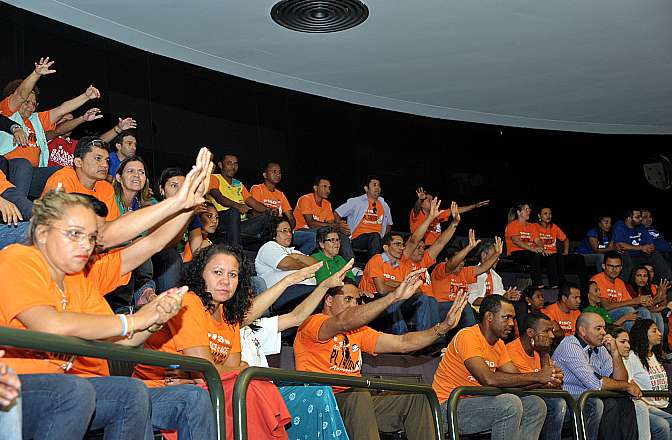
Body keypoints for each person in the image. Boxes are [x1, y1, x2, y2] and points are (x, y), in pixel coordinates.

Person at [0, 187, 216, 439]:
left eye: (91, 238)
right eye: (74, 234)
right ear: (42, 233)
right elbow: (50, 324)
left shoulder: (78, 280)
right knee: (75, 391)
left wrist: (154, 318)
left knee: (131, 393)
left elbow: (124, 340)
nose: (85, 245)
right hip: (17, 385)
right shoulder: (19, 258)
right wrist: (135, 319)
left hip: (69, 386)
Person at [134, 244, 292, 440]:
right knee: (251, 389)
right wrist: (239, 369)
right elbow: (207, 370)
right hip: (158, 389)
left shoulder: (230, 314)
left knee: (257, 388)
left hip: (199, 385)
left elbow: (223, 370)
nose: (225, 281)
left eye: (233, 275)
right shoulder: (190, 302)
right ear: (201, 274)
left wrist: (212, 373)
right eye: (217, 272)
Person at [294, 271, 468, 440]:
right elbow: (343, 321)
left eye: (357, 300)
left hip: (357, 404)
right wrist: (393, 297)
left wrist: (443, 327)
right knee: (359, 392)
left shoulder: (358, 331)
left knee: (417, 395)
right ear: (329, 300)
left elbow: (403, 343)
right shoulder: (312, 323)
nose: (354, 305)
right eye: (348, 299)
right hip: (321, 403)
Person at [240, 261, 353, 439]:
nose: (249, 301)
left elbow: (297, 317)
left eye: (251, 297)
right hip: (247, 398)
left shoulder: (256, 326)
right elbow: (243, 316)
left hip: (270, 397)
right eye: (245, 298)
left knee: (320, 391)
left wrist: (324, 286)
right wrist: (289, 280)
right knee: (319, 392)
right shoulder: (228, 324)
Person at [432, 295, 554, 440]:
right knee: (509, 404)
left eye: (513, 319)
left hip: (479, 403)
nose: (511, 323)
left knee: (536, 404)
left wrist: (546, 380)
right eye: (506, 317)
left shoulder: (499, 344)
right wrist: (538, 376)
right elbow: (488, 378)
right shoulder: (468, 336)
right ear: (489, 317)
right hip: (448, 407)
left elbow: (518, 380)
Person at [0, 57, 100, 198]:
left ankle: (48, 212)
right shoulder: (8, 111)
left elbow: (62, 109)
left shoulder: (37, 120)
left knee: (65, 172)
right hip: (7, 170)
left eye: (34, 104)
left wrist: (86, 96)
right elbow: (20, 94)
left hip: (32, 174)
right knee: (24, 164)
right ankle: (17, 212)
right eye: (27, 102)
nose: (30, 106)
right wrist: (36, 74)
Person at [358, 198, 455, 334]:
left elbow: (414, 289)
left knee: (423, 298)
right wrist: (399, 285)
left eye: (401, 244)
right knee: (394, 298)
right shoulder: (377, 260)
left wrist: (392, 284)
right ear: (386, 247)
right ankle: (402, 337)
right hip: (371, 302)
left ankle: (424, 339)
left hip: (393, 300)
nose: (401, 247)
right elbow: (381, 289)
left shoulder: (402, 266)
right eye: (397, 244)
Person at [552, 312, 641, 440]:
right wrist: (627, 386)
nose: (604, 332)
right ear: (583, 330)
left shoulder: (600, 347)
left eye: (604, 328)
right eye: (598, 328)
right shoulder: (570, 346)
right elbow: (596, 384)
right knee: (609, 404)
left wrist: (615, 352)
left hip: (590, 397)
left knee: (625, 402)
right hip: (570, 400)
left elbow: (621, 380)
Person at [506, 312, 567, 440]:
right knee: (557, 404)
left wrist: (544, 354)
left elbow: (553, 383)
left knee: (591, 403)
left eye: (552, 331)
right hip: (521, 401)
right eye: (546, 331)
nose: (551, 335)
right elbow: (524, 386)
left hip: (540, 399)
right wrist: (545, 355)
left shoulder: (541, 349)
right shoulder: (512, 351)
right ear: (530, 333)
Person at [430, 231, 502, 329]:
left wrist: (497, 254)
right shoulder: (441, 269)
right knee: (466, 307)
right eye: (459, 260)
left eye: (464, 260)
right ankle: (471, 339)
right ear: (447, 260)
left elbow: (483, 268)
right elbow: (452, 264)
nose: (462, 263)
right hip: (440, 308)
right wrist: (468, 248)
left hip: (458, 310)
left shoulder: (464, 272)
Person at [151, 167, 206, 291]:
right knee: (171, 256)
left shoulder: (190, 212)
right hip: (156, 262)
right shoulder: (155, 208)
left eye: (183, 187)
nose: (179, 191)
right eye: (174, 186)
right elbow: (166, 244)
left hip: (178, 263)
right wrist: (187, 215)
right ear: (162, 190)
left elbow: (197, 248)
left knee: (206, 262)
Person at [42, 136, 121, 221]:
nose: (105, 165)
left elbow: (111, 224)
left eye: (107, 160)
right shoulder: (62, 178)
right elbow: (55, 220)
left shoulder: (106, 188)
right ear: (78, 162)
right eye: (98, 158)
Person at [255, 217, 318, 313]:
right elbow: (286, 264)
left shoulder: (293, 251)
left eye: (290, 231)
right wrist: (306, 266)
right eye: (284, 231)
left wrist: (297, 256)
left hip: (303, 289)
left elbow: (315, 264)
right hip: (283, 293)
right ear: (273, 234)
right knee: (323, 293)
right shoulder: (269, 246)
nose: (288, 234)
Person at [206, 152, 271, 247]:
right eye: (229, 163)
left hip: (240, 224)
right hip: (222, 222)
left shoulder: (238, 184)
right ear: (220, 165)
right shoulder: (214, 178)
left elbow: (254, 203)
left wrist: (269, 210)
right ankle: (236, 249)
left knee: (268, 216)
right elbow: (218, 197)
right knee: (233, 212)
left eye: (235, 164)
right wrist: (237, 206)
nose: (233, 166)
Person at [622, 320, 672, 440]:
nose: (660, 334)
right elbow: (629, 382)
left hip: (664, 404)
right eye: (654, 331)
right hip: (646, 406)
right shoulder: (632, 357)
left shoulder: (655, 355)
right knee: (663, 426)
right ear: (644, 333)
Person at [468, 240, 529, 333]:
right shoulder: (471, 273)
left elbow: (501, 296)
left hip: (497, 310)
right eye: (495, 255)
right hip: (478, 311)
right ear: (483, 255)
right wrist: (502, 298)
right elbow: (474, 301)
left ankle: (520, 339)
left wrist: (510, 296)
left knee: (520, 305)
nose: (498, 259)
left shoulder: (496, 277)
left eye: (498, 256)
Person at [335, 176, 393, 261]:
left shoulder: (384, 205)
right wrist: (339, 225)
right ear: (366, 188)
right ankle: (373, 266)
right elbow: (337, 213)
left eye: (379, 185)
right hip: (357, 239)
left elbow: (389, 224)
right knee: (375, 236)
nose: (377, 188)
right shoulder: (356, 201)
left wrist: (383, 236)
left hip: (377, 239)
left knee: (389, 240)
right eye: (374, 185)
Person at [293, 176, 353, 259]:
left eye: (329, 188)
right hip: (302, 230)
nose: (328, 190)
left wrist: (340, 227)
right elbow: (311, 223)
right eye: (324, 186)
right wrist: (335, 226)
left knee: (341, 236)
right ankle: (298, 259)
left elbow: (331, 224)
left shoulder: (327, 204)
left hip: (319, 231)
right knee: (316, 236)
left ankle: (349, 265)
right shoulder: (305, 199)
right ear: (315, 188)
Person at [591, 251, 654, 331]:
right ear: (603, 266)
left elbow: (629, 303)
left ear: (621, 268)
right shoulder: (597, 280)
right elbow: (606, 306)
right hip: (601, 315)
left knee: (644, 311)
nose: (614, 270)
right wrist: (634, 301)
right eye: (610, 266)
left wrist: (643, 301)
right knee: (628, 310)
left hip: (621, 312)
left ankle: (644, 341)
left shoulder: (620, 282)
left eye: (617, 266)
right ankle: (633, 342)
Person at [410, 186, 488, 245]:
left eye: (432, 199)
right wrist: (420, 200)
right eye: (428, 200)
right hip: (419, 247)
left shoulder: (437, 213)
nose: (432, 201)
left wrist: (474, 206)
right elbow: (416, 207)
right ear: (421, 205)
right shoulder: (417, 213)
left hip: (435, 249)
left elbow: (456, 210)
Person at [534, 205, 588, 289]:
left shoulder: (554, 227)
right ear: (539, 216)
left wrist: (566, 251)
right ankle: (559, 283)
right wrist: (544, 249)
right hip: (543, 256)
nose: (548, 216)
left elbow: (565, 239)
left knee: (579, 258)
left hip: (556, 256)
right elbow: (537, 240)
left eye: (550, 214)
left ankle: (585, 285)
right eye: (545, 213)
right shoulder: (534, 227)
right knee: (555, 256)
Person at [613, 209, 672, 282]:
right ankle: (624, 286)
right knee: (623, 254)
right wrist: (641, 248)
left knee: (655, 254)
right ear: (629, 218)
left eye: (640, 216)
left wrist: (650, 248)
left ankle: (667, 282)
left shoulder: (641, 226)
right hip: (629, 255)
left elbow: (650, 243)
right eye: (637, 217)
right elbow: (621, 244)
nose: (640, 219)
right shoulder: (620, 225)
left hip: (641, 255)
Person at [505, 202, 548, 289]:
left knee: (553, 256)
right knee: (534, 255)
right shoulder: (513, 225)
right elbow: (516, 241)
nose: (529, 211)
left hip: (530, 251)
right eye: (526, 209)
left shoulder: (532, 226)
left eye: (529, 209)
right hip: (516, 252)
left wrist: (541, 248)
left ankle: (556, 284)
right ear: (519, 212)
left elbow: (538, 240)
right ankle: (538, 284)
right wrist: (533, 249)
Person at [249, 162, 296, 228]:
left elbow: (291, 218)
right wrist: (270, 213)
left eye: (279, 172)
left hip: (277, 228)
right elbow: (255, 213)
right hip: (261, 227)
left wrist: (288, 229)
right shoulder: (257, 188)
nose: (278, 174)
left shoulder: (281, 195)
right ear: (265, 175)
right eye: (274, 171)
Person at [627, 265, 667, 338]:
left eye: (645, 276)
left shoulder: (646, 289)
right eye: (639, 275)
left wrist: (661, 298)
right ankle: (646, 342)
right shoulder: (628, 287)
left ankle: (657, 347)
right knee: (645, 311)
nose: (642, 278)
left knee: (658, 315)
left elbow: (651, 308)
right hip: (631, 313)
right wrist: (655, 300)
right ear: (633, 276)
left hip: (643, 312)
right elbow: (633, 306)